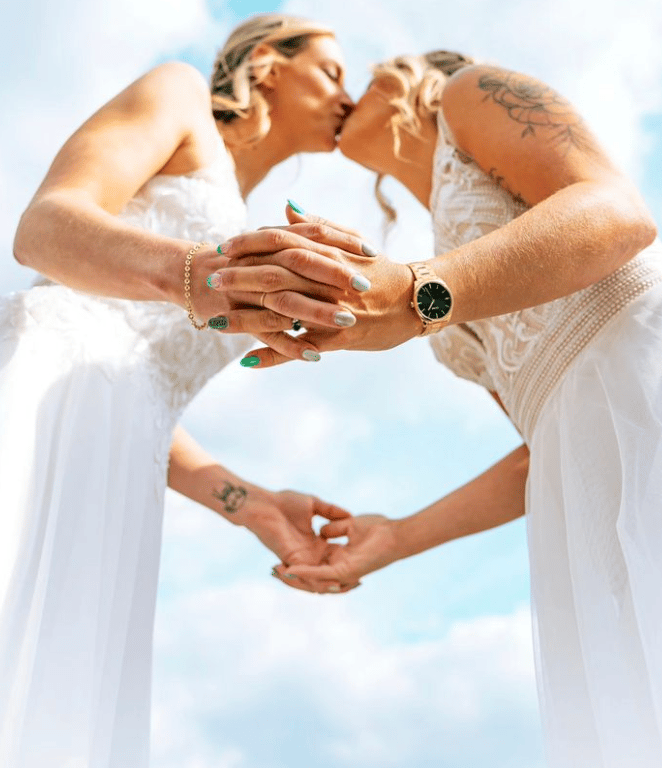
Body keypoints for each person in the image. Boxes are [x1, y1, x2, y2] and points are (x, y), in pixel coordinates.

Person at [213, 52, 662, 767]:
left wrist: (416, 295)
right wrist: (399, 537)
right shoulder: (438, 257)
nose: (346, 91)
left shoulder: (469, 94)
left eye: (361, 73)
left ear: (410, 77)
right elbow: (541, 450)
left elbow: (620, 215)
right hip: (589, 497)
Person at [0, 13, 374, 768]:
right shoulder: (180, 95)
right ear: (267, 65)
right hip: (32, 391)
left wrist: (248, 501)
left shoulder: (251, 231)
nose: (347, 96)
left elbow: (138, 384)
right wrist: (197, 276)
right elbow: (42, 231)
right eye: (331, 72)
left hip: (115, 467)